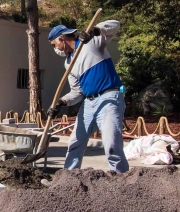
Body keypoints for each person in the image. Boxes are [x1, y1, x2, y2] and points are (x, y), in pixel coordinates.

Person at [47, 21, 129, 173]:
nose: (55, 49)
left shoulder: (90, 43)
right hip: (89, 103)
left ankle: (121, 179)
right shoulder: (68, 63)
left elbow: (115, 25)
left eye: (54, 44)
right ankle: (68, 178)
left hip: (108, 98)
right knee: (75, 143)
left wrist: (96, 30)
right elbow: (77, 92)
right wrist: (62, 102)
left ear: (62, 39)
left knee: (112, 144)